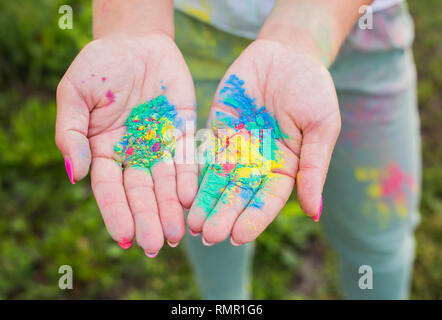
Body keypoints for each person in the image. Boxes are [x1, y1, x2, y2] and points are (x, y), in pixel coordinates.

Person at [55, 0, 421, 299]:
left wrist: (300, 37)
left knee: (377, 237)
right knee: (205, 212)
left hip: (358, 25)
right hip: (183, 41)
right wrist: (130, 28)